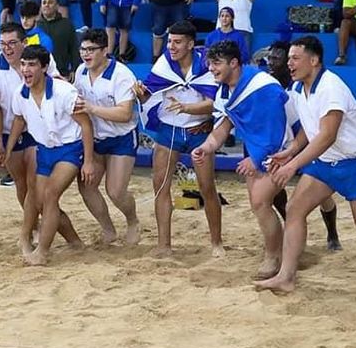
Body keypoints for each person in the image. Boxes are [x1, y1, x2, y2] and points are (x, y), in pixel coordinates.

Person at [258, 35, 356, 293]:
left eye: (296, 58)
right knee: (295, 209)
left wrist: (293, 164)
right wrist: (291, 150)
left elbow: (327, 135)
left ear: (314, 60)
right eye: (289, 58)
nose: (289, 63)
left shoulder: (331, 87)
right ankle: (286, 277)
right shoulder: (297, 88)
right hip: (324, 163)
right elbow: (311, 127)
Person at [0, 22, 82, 253]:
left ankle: (49, 238)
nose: (7, 49)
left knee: (38, 190)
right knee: (24, 188)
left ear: (24, 42)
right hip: (13, 130)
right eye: (2, 44)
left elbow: (57, 82)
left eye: (12, 43)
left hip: (39, 132)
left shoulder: (39, 59)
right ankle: (42, 232)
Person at [193, 41, 289, 280]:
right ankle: (280, 250)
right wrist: (207, 147)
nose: (211, 68)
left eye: (216, 63)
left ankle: (276, 255)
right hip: (257, 147)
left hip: (287, 146)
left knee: (261, 201)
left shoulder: (262, 86)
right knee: (261, 202)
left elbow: (276, 130)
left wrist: (255, 160)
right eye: (209, 63)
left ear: (234, 63)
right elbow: (223, 127)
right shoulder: (224, 90)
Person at [134, 21, 222, 257]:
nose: (171, 46)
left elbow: (216, 102)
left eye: (177, 42)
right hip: (169, 130)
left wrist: (187, 109)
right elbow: (149, 95)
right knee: (160, 185)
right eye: (170, 41)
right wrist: (140, 94)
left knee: (207, 188)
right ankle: (164, 245)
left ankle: (216, 243)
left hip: (199, 131)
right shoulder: (164, 63)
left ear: (191, 44)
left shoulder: (206, 63)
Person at [7, 44, 94, 265]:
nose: (26, 69)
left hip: (70, 148)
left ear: (44, 67)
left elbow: (86, 125)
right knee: (34, 197)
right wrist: (7, 150)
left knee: (50, 195)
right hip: (45, 149)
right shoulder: (20, 93)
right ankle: (67, 241)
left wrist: (89, 162)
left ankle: (43, 251)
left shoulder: (64, 91)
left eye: (32, 65)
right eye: (23, 64)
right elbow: (19, 119)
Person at [264, 41, 341, 251]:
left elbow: (315, 129)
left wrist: (295, 153)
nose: (273, 62)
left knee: (325, 196)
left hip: (313, 142)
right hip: (288, 141)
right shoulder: (269, 84)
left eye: (278, 58)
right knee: (278, 193)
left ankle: (332, 234)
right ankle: (292, 231)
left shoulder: (308, 84)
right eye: (270, 58)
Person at [73, 29, 140, 244]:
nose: (86, 54)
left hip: (121, 137)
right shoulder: (81, 71)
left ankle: (133, 221)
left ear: (104, 51)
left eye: (91, 49)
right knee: (86, 185)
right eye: (83, 49)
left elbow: (124, 113)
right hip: (95, 137)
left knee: (116, 191)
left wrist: (92, 109)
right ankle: (108, 229)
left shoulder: (121, 75)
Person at [37, 0, 79, 76]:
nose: (47, 5)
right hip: (39, 73)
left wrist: (74, 69)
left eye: (50, 2)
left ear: (57, 6)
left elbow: (74, 48)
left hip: (62, 72)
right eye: (44, 3)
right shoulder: (36, 26)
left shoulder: (67, 24)